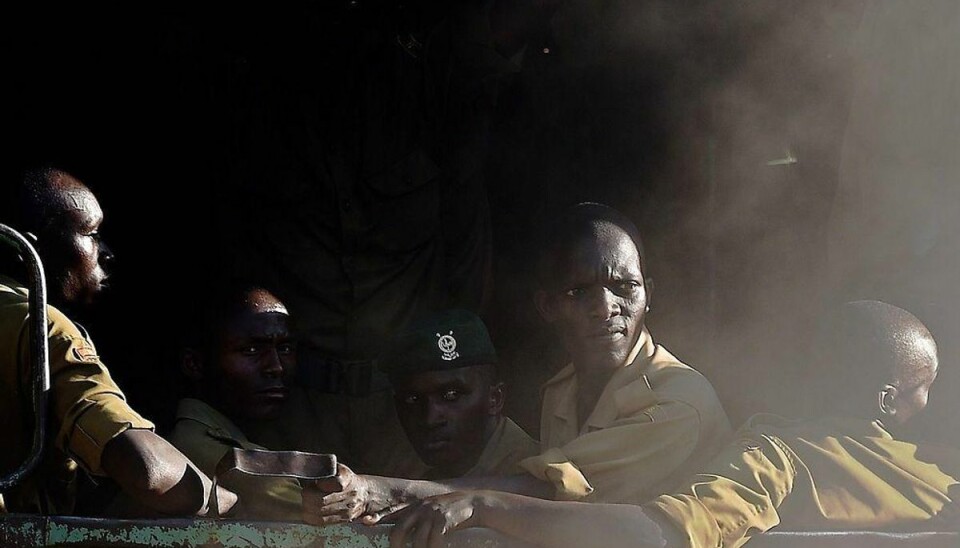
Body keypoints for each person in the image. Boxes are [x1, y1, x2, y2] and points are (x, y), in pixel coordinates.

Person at [387, 301, 960, 548]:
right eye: (925, 390)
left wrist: (485, 507)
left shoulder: (777, 456)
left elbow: (664, 534)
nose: (928, 404)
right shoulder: (942, 473)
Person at [301, 203, 731, 524]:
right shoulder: (561, 391)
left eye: (624, 287)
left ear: (649, 295)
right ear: (545, 306)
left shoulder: (679, 401)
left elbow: (551, 492)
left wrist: (381, 490)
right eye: (578, 292)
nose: (605, 307)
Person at [0, 167, 234, 516]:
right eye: (91, 234)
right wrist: (232, 502)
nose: (106, 253)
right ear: (30, 248)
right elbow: (148, 471)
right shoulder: (41, 326)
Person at [169, 285, 302, 521]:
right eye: (251, 350)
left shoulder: (237, 436)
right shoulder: (200, 446)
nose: (276, 366)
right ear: (194, 364)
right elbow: (334, 507)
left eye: (285, 348)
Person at [380, 309, 538, 480]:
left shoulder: (533, 475)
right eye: (412, 399)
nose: (430, 419)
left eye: (451, 395)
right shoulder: (407, 471)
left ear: (495, 399)